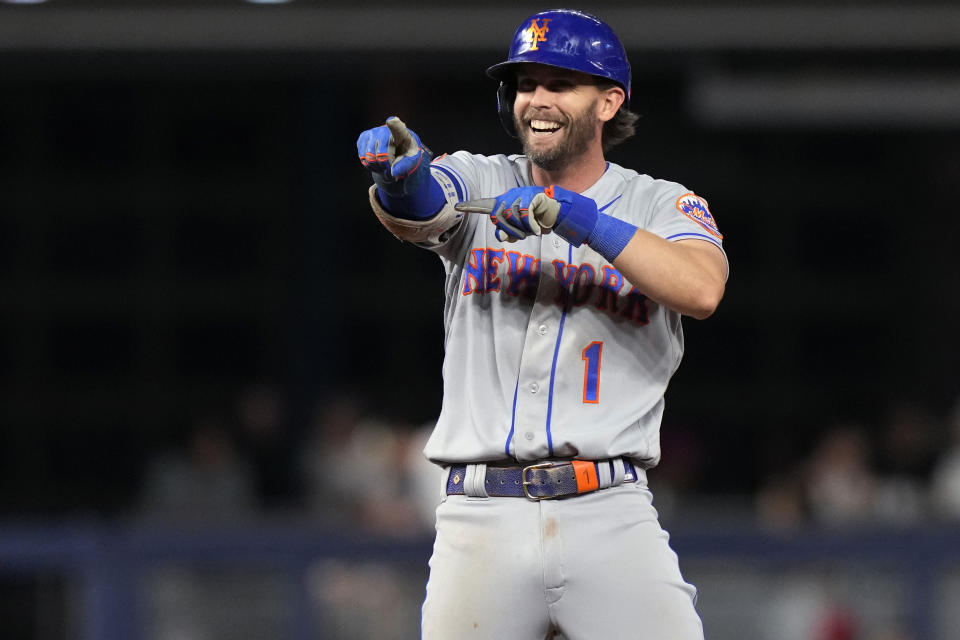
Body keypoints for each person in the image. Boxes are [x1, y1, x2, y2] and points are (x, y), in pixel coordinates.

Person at [355, 8, 727, 639]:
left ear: (609, 102)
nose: (537, 100)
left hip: (609, 510)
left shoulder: (658, 202)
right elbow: (426, 206)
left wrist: (576, 219)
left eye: (560, 84)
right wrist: (404, 178)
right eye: (526, 85)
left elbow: (700, 287)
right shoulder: (481, 177)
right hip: (481, 516)